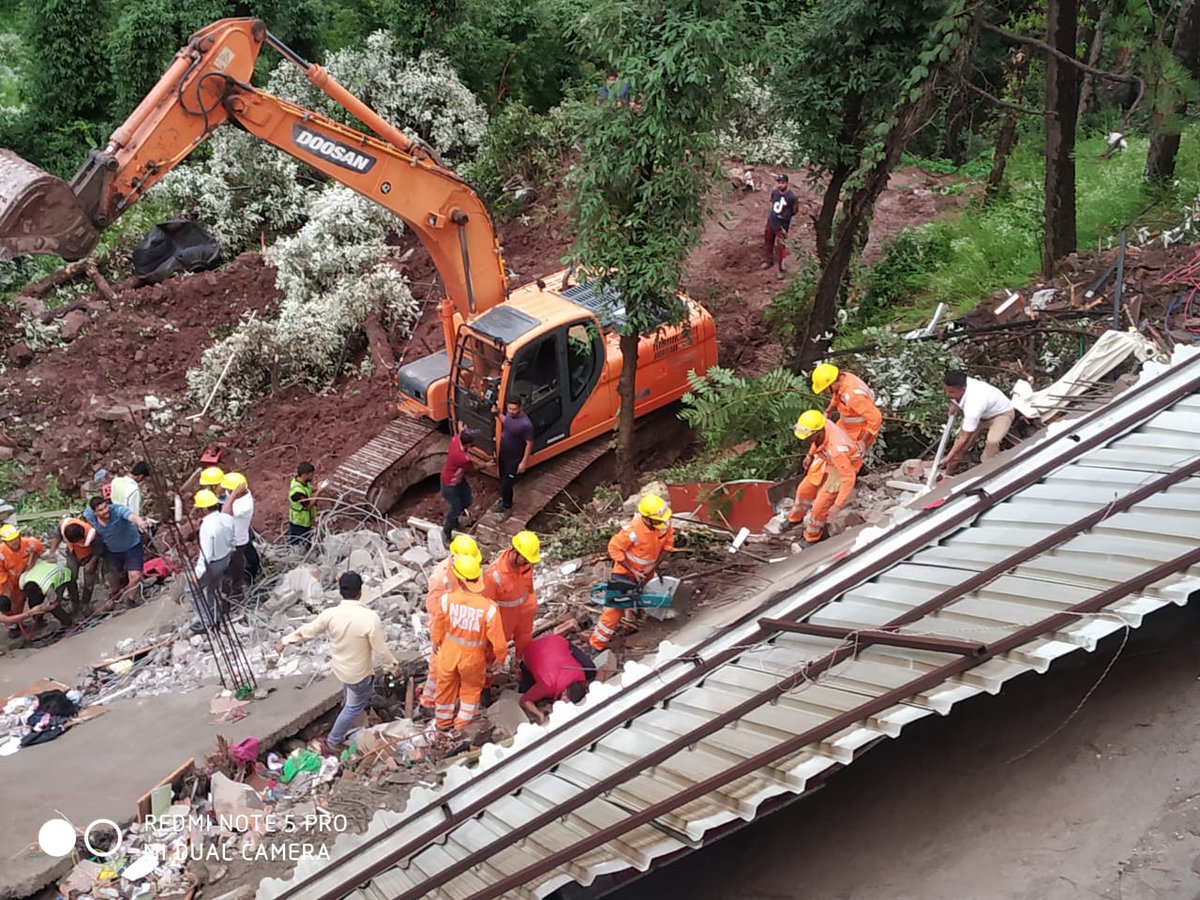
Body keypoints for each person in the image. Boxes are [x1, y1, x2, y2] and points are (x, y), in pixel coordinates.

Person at [277, 571, 399, 755]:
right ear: (360, 591)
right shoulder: (369, 618)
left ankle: (346, 716)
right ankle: (334, 740)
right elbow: (381, 650)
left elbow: (308, 631)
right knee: (354, 706)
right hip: (359, 673)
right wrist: (393, 667)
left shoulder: (330, 614)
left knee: (349, 696)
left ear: (340, 592)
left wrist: (285, 641)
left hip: (340, 669)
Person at [430, 554, 507, 732]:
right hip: (472, 658)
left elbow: (438, 624)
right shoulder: (489, 608)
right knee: (471, 691)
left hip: (448, 653)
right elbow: (499, 642)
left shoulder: (446, 599)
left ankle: (442, 724)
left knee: (445, 689)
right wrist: (500, 658)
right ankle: (461, 726)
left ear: (459, 577)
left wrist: (436, 640)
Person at [590, 493, 675, 653]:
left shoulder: (665, 524)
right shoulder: (633, 531)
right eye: (658, 520)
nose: (663, 523)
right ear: (647, 518)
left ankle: (633, 623)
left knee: (644, 599)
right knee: (614, 610)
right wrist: (633, 570)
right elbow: (614, 548)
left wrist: (654, 566)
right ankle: (597, 645)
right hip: (625, 574)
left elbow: (668, 547)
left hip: (647, 572)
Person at [418, 534, 482, 716]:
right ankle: (429, 702)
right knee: (439, 666)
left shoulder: (467, 568)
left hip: (461, 623)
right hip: (446, 627)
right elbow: (435, 609)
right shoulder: (440, 578)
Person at [787, 410, 864, 544]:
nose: (805, 439)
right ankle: (795, 519)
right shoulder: (821, 424)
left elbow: (848, 477)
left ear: (817, 434)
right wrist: (810, 455)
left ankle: (812, 537)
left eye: (807, 436)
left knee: (819, 507)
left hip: (842, 464)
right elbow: (817, 443)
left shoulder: (836, 450)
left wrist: (837, 505)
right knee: (804, 490)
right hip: (825, 456)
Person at [942, 369, 1016, 473]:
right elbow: (962, 441)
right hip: (981, 416)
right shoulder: (961, 381)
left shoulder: (974, 403)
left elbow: (963, 438)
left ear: (963, 389)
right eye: (946, 390)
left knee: (992, 441)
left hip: (1001, 414)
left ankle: (989, 470)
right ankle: (947, 473)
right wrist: (956, 404)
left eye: (951, 392)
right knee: (960, 448)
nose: (947, 395)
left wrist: (948, 457)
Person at [484, 531, 540, 662]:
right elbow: (486, 606)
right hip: (505, 616)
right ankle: (488, 677)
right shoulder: (494, 575)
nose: (527, 562)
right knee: (494, 648)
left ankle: (523, 666)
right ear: (514, 552)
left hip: (525, 607)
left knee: (525, 640)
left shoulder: (526, 564)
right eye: (525, 558)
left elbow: (528, 584)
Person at [518, 634, 596, 724]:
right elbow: (524, 700)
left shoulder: (580, 672)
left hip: (555, 641)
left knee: (590, 670)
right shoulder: (547, 685)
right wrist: (540, 715)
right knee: (524, 690)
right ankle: (522, 668)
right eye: (566, 700)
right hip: (531, 650)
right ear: (565, 691)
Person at [189, 489, 236, 634]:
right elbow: (232, 539)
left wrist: (196, 575)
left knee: (191, 591)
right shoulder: (226, 518)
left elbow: (206, 555)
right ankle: (215, 617)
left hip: (214, 563)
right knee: (213, 589)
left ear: (203, 509)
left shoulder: (207, 527)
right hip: (225, 558)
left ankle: (206, 621)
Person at [85, 497, 148, 600]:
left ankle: (131, 599)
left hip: (132, 545)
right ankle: (116, 594)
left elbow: (131, 516)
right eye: (101, 510)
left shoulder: (118, 510)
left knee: (135, 575)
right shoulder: (89, 515)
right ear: (94, 513)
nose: (105, 511)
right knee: (113, 575)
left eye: (106, 507)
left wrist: (140, 522)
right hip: (112, 550)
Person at [811, 363, 883, 453]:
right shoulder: (845, 378)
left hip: (857, 433)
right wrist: (827, 412)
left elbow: (876, 418)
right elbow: (837, 396)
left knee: (843, 456)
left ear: (832, 383)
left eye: (824, 389)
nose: (824, 392)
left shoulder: (854, 396)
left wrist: (863, 442)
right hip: (845, 426)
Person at [0, 524, 45, 639]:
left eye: (16, 538)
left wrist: (32, 564)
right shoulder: (1, 554)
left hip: (28, 575)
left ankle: (38, 618)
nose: (14, 542)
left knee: (34, 592)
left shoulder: (29, 543)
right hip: (10, 580)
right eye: (11, 541)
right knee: (10, 604)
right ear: (5, 542)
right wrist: (7, 590)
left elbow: (39, 550)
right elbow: (1, 575)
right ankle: (14, 626)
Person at [49, 516, 103, 613]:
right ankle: (74, 602)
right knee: (70, 577)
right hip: (72, 553)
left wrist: (91, 563)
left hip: (89, 555)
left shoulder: (92, 534)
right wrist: (52, 552)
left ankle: (86, 603)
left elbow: (99, 550)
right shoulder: (63, 525)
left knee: (89, 580)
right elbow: (57, 537)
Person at [494, 398, 534, 521]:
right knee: (501, 479)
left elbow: (529, 443)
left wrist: (523, 462)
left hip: (514, 459)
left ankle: (507, 507)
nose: (511, 411)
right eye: (509, 409)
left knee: (507, 484)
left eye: (514, 409)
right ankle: (504, 500)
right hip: (504, 455)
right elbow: (506, 421)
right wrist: (497, 413)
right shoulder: (509, 417)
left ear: (520, 407)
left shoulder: (526, 424)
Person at [220, 472, 257, 601]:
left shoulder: (244, 505)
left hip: (237, 542)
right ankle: (229, 591)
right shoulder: (236, 495)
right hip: (230, 539)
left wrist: (233, 495)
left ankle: (236, 595)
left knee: (233, 569)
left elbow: (225, 512)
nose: (228, 492)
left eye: (231, 490)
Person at [441, 428, 478, 544]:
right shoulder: (462, 458)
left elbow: (460, 432)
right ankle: (447, 531)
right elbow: (473, 468)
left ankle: (455, 521)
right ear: (467, 444)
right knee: (455, 508)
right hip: (450, 483)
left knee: (467, 500)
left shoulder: (455, 440)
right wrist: (486, 464)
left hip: (459, 480)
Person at [18, 560, 74, 630]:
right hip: (44, 569)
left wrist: (43, 608)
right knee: (33, 603)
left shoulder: (47, 587)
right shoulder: (23, 580)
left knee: (55, 608)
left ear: (39, 591)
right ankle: (38, 621)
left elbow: (54, 604)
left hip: (61, 574)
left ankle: (68, 623)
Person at [763, 173, 798, 277]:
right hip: (771, 221)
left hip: (782, 224)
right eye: (778, 182)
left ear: (787, 183)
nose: (780, 185)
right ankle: (768, 260)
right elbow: (773, 204)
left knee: (781, 246)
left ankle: (781, 269)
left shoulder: (792, 197)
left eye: (782, 183)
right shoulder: (774, 193)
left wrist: (786, 216)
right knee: (768, 241)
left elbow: (795, 210)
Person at [288, 462, 323, 547]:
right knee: (295, 542)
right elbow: (308, 505)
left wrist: (317, 488)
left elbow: (308, 490)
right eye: (311, 475)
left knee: (306, 540)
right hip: (299, 522)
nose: (312, 477)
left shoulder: (301, 481)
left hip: (305, 521)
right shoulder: (297, 493)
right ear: (304, 475)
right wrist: (319, 491)